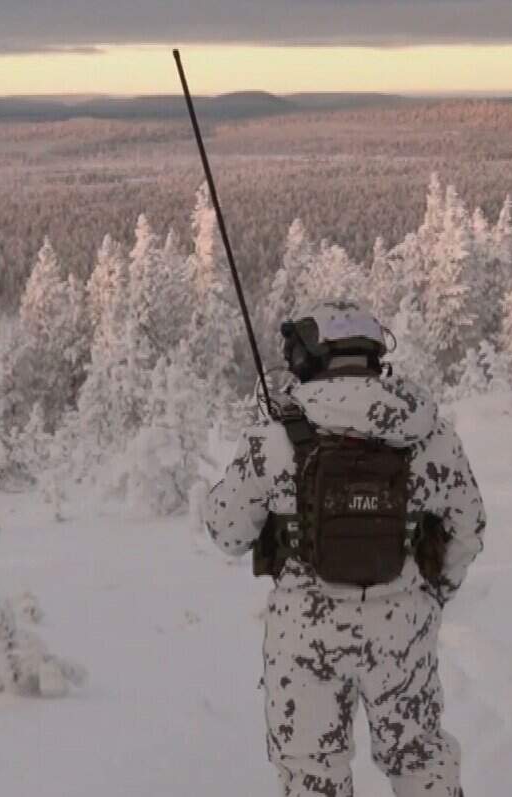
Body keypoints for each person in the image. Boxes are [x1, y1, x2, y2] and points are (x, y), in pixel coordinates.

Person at [204, 300, 486, 797]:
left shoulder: (275, 438)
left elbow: (226, 531)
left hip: (303, 634)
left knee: (312, 772)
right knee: (420, 760)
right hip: (403, 629)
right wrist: (432, 594)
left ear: (307, 359)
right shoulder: (429, 435)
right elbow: (469, 525)